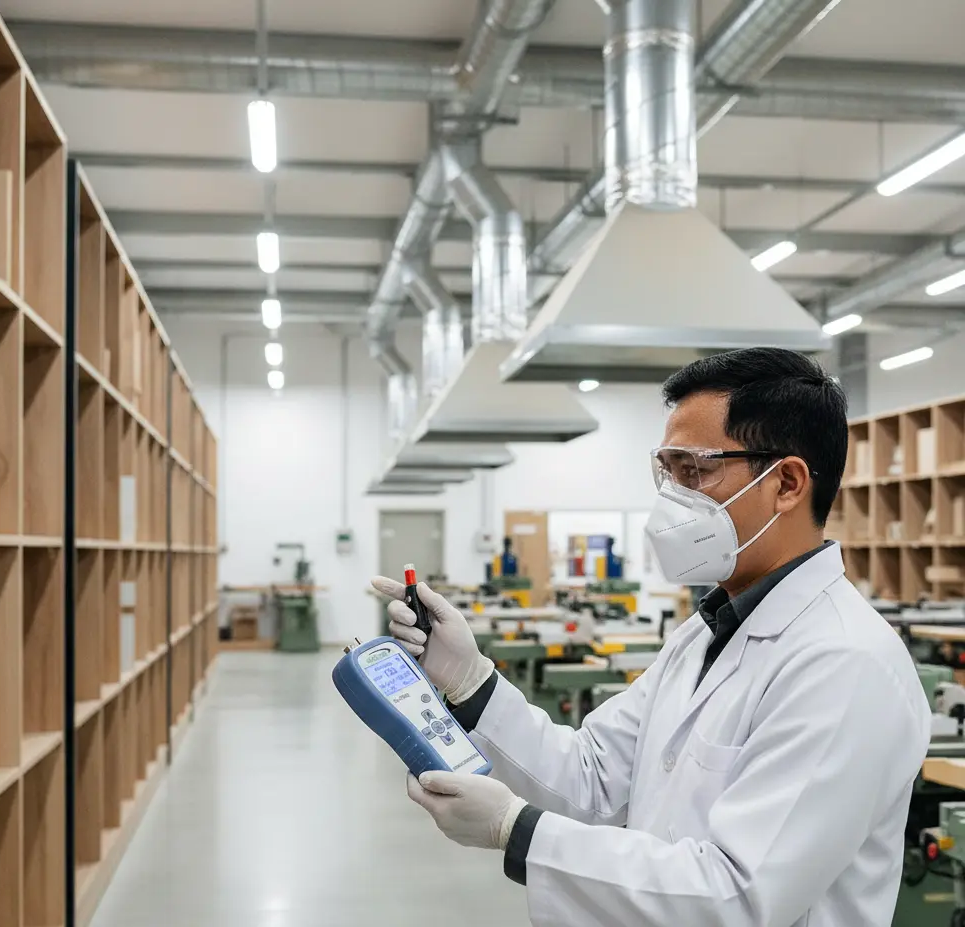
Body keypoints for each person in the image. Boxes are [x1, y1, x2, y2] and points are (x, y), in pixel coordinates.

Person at [371, 347, 930, 927]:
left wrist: (519, 831)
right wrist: (472, 682)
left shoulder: (845, 663)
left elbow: (739, 897)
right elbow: (590, 777)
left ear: (786, 483)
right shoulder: (704, 635)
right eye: (668, 472)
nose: (673, 500)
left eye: (696, 471)